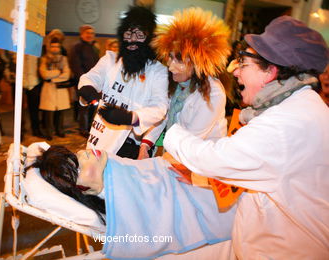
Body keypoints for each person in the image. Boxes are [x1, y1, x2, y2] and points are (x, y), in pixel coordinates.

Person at [163, 16, 329, 259]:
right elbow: (257, 165)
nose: (236, 72)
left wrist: (172, 131)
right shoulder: (299, 108)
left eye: (244, 63)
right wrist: (201, 178)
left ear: (270, 72)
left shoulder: (286, 124)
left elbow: (216, 158)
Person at [26, 144, 236, 259]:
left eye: (75, 154)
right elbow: (143, 231)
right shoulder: (116, 200)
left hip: (189, 180)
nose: (84, 152)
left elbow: (151, 171)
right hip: (199, 200)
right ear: (83, 189)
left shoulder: (109, 170)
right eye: (78, 166)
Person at [78, 5, 169, 159]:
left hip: (132, 146)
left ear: (149, 38)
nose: (133, 41)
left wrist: (131, 117)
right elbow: (90, 78)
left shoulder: (157, 71)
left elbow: (160, 107)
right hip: (101, 139)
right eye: (128, 34)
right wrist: (88, 90)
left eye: (139, 35)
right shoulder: (110, 60)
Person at [151, 7, 231, 152]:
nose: (170, 67)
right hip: (174, 157)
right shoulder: (177, 83)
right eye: (170, 57)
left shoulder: (213, 93)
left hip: (200, 164)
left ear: (198, 63)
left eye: (179, 60)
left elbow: (192, 141)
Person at [69, 25, 100, 137]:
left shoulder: (94, 48)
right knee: (84, 107)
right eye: (87, 33)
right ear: (82, 34)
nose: (89, 35)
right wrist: (84, 81)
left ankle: (89, 127)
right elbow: (76, 66)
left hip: (94, 82)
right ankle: (83, 129)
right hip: (83, 83)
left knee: (93, 106)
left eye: (92, 33)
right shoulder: (77, 47)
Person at [39, 37, 71, 140]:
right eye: (53, 46)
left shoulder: (64, 59)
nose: (55, 48)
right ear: (49, 47)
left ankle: (59, 130)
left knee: (60, 111)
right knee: (49, 112)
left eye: (57, 46)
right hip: (49, 88)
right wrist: (58, 73)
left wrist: (53, 79)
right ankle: (49, 132)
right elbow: (44, 74)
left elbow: (67, 75)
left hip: (60, 88)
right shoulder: (44, 59)